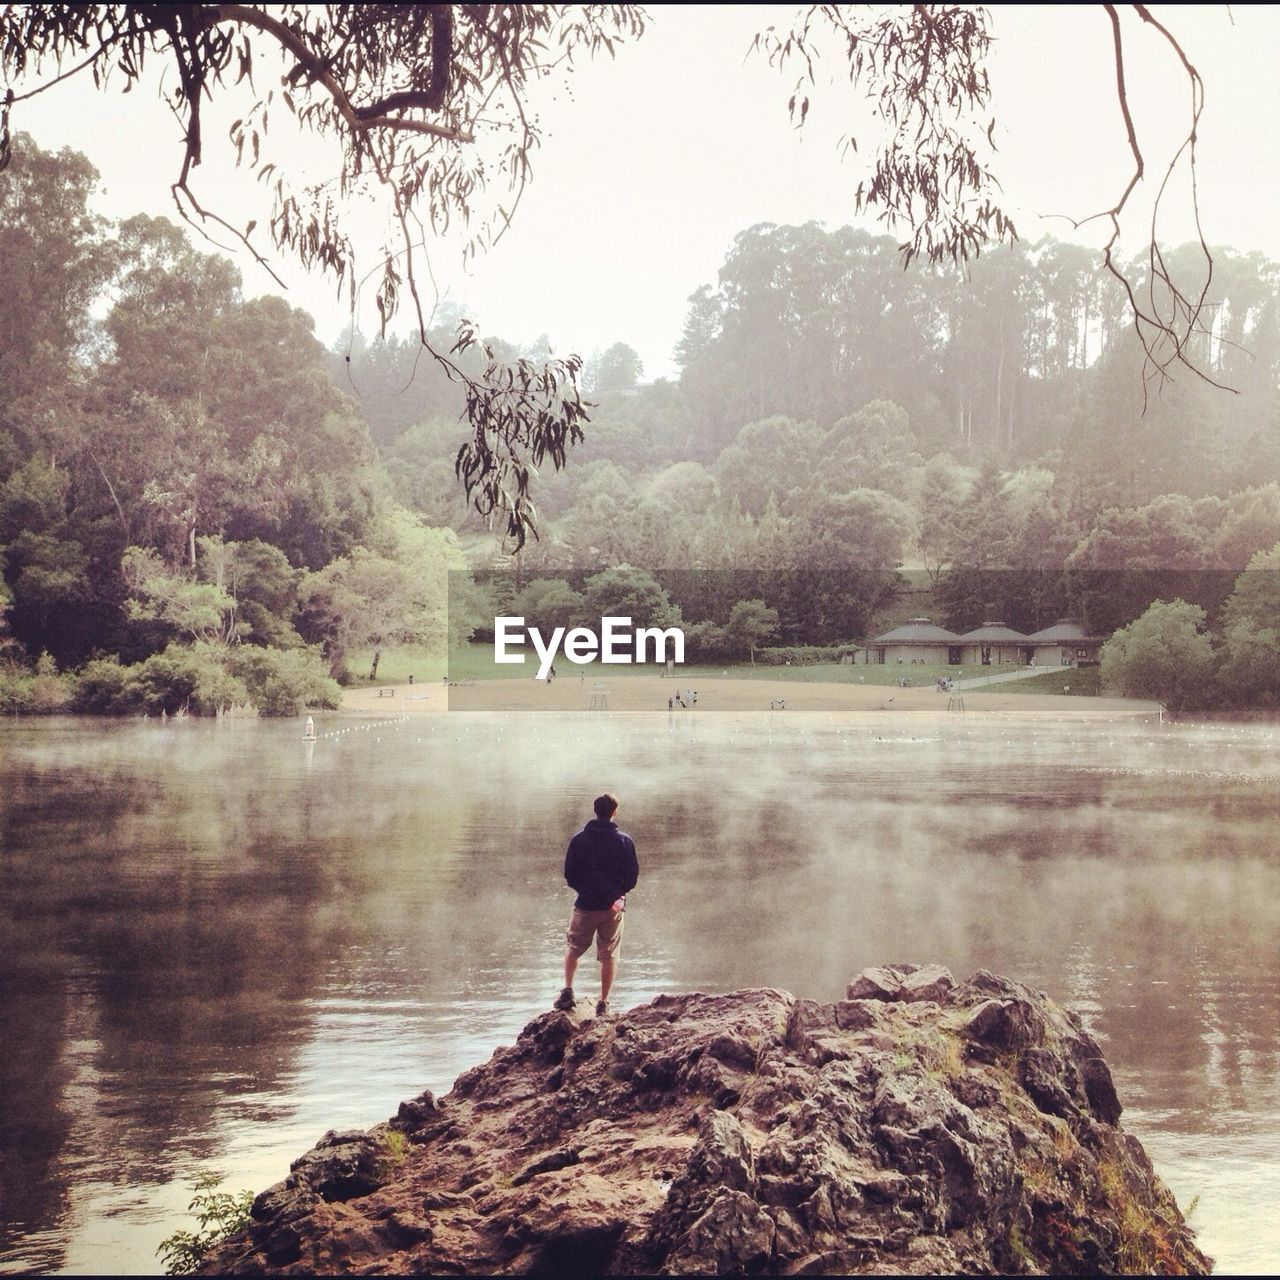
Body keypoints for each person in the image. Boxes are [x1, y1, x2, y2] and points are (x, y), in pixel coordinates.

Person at [554, 793, 639, 1017]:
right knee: (609, 954)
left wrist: (585, 891)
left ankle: (568, 991)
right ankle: (603, 1004)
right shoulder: (624, 841)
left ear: (595, 811)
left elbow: (570, 874)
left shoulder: (579, 839)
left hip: (585, 905)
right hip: (613, 908)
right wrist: (619, 895)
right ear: (614, 812)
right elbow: (631, 877)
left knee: (573, 948)